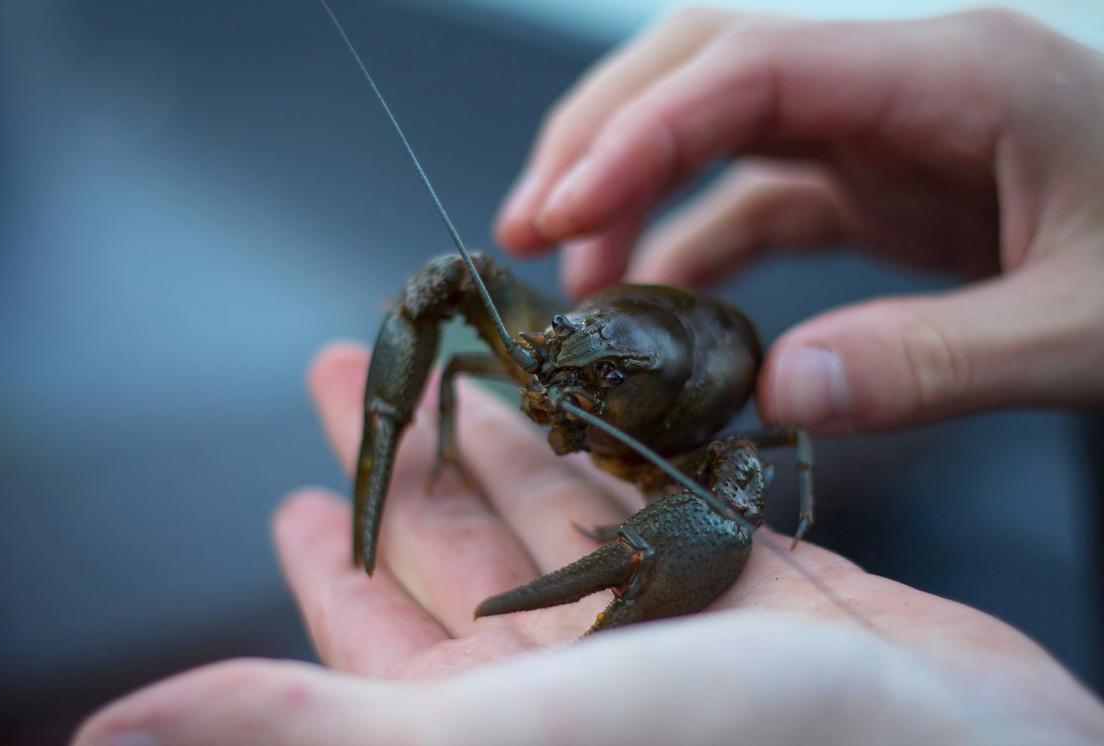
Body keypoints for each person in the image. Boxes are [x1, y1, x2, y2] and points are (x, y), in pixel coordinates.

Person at [75, 8, 1104, 744]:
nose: (546, 389)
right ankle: (413, 439)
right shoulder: (560, 343)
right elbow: (454, 286)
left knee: (733, 491)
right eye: (560, 349)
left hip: (687, 402)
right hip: (633, 333)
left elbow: (745, 477)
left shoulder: (704, 438)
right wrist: (432, 409)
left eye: (582, 377)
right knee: (460, 271)